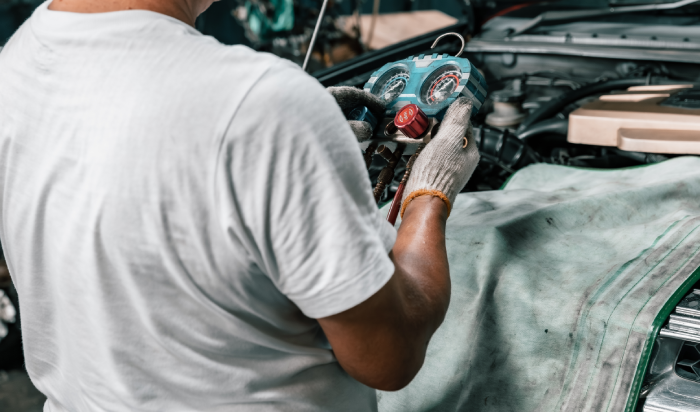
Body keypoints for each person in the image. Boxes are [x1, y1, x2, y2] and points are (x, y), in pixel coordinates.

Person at [0, 0, 480, 410]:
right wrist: (428, 194)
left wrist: (295, 155)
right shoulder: (260, 103)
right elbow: (389, 356)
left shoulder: (15, 62)